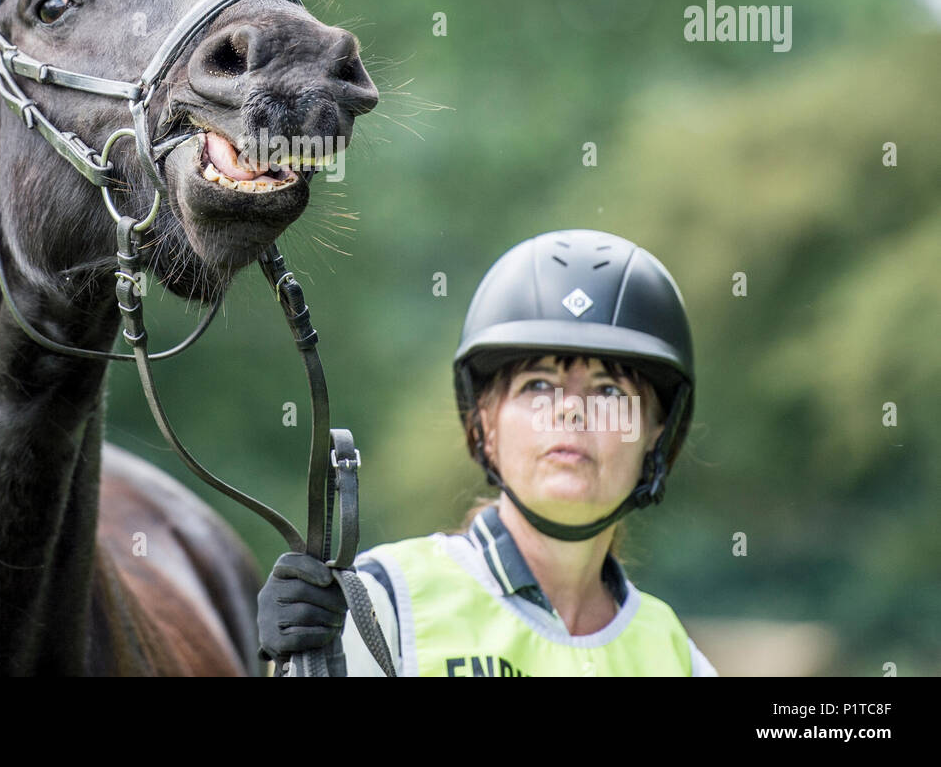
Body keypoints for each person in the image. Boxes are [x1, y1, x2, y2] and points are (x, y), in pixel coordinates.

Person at [257, 229, 719, 676]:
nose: (572, 412)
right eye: (538, 385)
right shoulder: (379, 604)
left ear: (656, 433)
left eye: (610, 392)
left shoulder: (677, 656)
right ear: (486, 424)